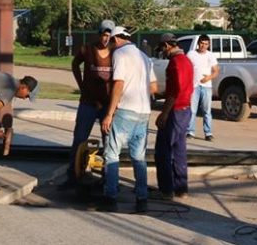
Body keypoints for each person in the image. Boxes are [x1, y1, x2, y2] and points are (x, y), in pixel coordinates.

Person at [100, 26, 157, 213]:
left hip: (126, 111)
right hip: (144, 112)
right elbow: (154, 87)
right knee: (138, 157)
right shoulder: (144, 56)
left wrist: (109, 114)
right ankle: (142, 198)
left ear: (116, 40)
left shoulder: (120, 54)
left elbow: (118, 84)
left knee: (111, 153)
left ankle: (110, 196)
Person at [58, 20, 116, 189]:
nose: (105, 38)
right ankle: (73, 176)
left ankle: (108, 178)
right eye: (103, 35)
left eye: (108, 35)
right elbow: (75, 64)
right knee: (79, 139)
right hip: (88, 103)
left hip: (107, 104)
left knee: (109, 143)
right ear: (98, 34)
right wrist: (81, 85)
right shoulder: (88, 49)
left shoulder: (116, 52)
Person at [154, 33, 194, 200]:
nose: (162, 52)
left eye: (162, 49)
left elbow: (175, 91)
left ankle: (166, 190)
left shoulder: (174, 63)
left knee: (163, 150)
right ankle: (181, 189)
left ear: (167, 46)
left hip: (175, 110)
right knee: (179, 151)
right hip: (186, 109)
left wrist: (163, 114)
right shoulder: (187, 61)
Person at [186, 34, 219, 141]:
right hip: (194, 86)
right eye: (202, 43)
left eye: (206, 44)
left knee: (207, 111)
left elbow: (216, 71)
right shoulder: (191, 54)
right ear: (198, 43)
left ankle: (208, 133)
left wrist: (208, 78)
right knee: (192, 110)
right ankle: (190, 131)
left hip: (206, 86)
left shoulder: (211, 55)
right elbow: (186, 68)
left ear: (208, 45)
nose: (203, 46)